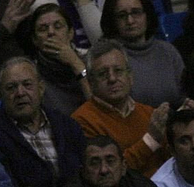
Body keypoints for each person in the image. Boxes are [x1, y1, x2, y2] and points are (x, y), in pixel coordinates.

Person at [0, 58, 87, 187]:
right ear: (2, 93)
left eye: (27, 84)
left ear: (41, 88)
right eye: (11, 88)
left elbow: (86, 171)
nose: (20, 93)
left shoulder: (66, 125)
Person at [72, 43, 170, 178]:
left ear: (130, 77)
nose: (112, 79)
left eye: (118, 71)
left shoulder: (149, 113)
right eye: (103, 74)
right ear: (91, 83)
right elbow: (108, 171)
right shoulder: (82, 120)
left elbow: (171, 161)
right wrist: (151, 140)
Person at [99, 0, 182, 109]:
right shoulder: (107, 58)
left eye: (136, 12)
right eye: (122, 15)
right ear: (112, 20)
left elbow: (185, 95)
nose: (130, 20)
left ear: (147, 15)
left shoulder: (167, 51)